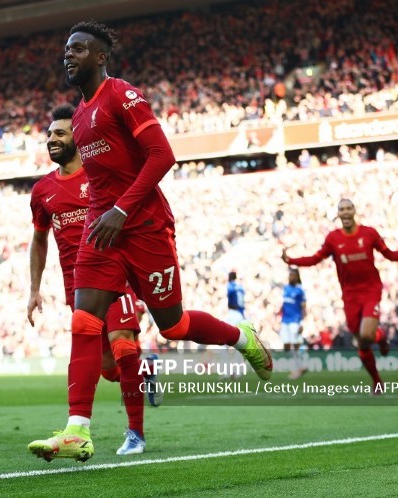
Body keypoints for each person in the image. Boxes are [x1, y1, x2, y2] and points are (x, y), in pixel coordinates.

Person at [29, 21, 271, 462]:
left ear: (100, 57)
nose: (69, 55)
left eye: (79, 49)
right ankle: (77, 429)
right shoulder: (80, 117)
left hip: (143, 226)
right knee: (85, 322)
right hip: (101, 231)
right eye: (66, 49)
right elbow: (98, 181)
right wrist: (103, 216)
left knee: (173, 325)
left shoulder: (122, 94)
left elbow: (163, 155)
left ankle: (242, 337)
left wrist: (121, 211)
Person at [27, 103, 158, 457]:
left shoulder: (101, 178)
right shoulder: (42, 191)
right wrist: (34, 289)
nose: (52, 139)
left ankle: (135, 434)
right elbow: (39, 240)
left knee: (123, 343)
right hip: (79, 287)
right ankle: (148, 369)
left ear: (79, 139)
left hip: (115, 276)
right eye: (49, 134)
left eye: (60, 133)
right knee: (110, 370)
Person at [282, 199, 398, 393]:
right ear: (338, 214)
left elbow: (390, 254)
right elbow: (315, 259)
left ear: (355, 211)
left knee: (366, 336)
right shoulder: (333, 239)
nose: (346, 212)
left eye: (349, 208)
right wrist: (290, 260)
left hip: (370, 291)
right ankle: (377, 381)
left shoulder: (369, 233)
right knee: (362, 343)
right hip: (349, 295)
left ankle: (380, 336)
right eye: (342, 209)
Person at [281, 268, 307, 379]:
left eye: (293, 275)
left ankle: (298, 369)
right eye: (290, 275)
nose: (291, 277)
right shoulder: (285, 288)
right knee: (286, 346)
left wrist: (301, 322)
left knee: (295, 345)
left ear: (297, 277)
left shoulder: (300, 290)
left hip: (295, 320)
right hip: (285, 320)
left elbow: (303, 308)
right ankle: (301, 364)